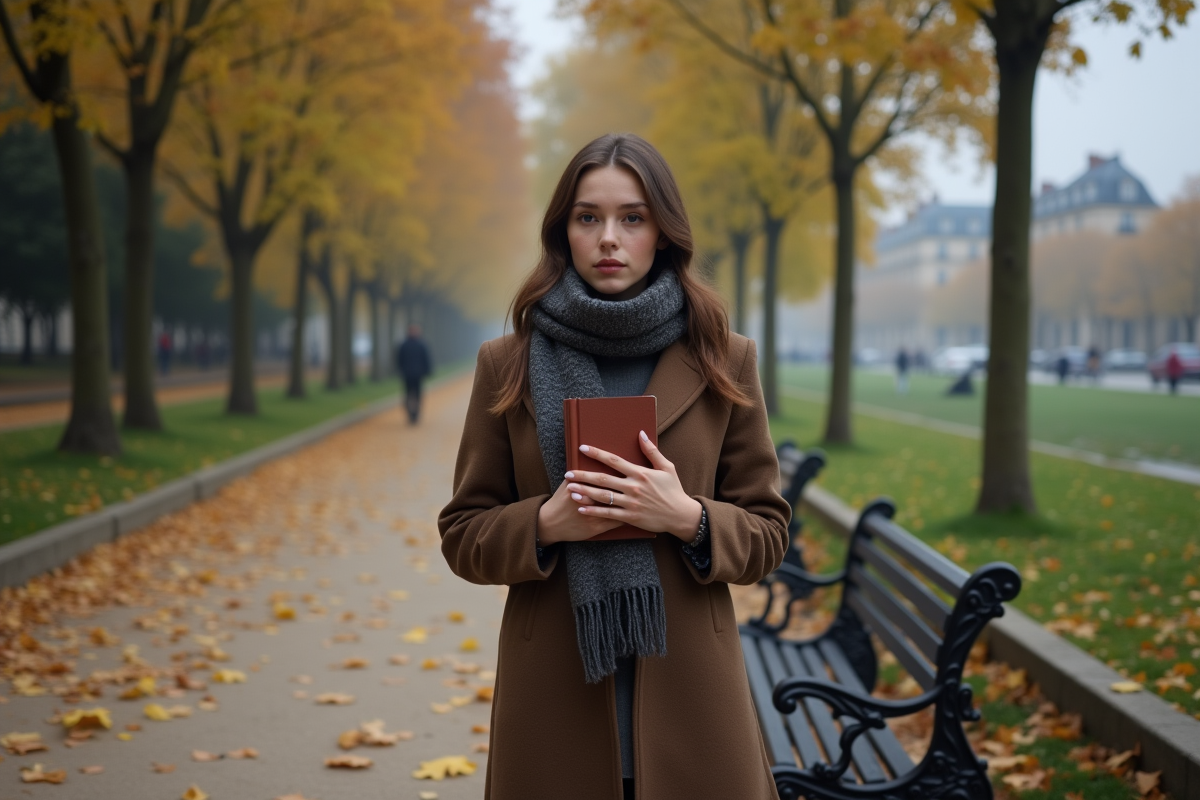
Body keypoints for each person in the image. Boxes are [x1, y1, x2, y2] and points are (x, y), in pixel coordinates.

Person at [438, 134, 789, 800]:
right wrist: (546, 524)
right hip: (553, 691)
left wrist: (686, 517)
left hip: (695, 693)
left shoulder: (724, 358)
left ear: (663, 232)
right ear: (562, 232)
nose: (609, 238)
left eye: (632, 217)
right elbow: (462, 535)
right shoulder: (506, 364)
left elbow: (768, 534)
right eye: (587, 217)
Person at [395, 324, 432, 423]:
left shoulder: (421, 345)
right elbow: (399, 360)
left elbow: (426, 359)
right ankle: (410, 413)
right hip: (407, 375)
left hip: (418, 374)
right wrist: (400, 371)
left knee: (418, 394)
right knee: (408, 394)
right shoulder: (404, 345)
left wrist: (427, 371)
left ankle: (416, 413)